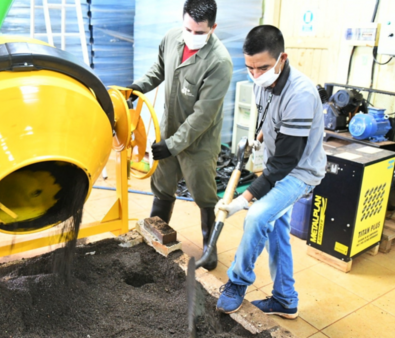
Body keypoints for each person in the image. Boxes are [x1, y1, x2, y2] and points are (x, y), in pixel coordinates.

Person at [215, 25, 326, 318]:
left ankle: (238, 282)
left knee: (257, 216)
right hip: (282, 164)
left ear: (282, 58)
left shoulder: (300, 94)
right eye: (249, 67)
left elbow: (284, 164)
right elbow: (268, 119)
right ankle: (285, 299)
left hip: (300, 172)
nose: (255, 74)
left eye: (262, 67)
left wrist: (244, 199)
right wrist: (257, 139)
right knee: (276, 231)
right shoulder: (261, 82)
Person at [127, 0, 233, 270]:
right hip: (170, 130)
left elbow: (202, 116)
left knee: (204, 195)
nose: (192, 36)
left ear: (213, 28)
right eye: (188, 29)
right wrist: (138, 87)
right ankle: (155, 231)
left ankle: (210, 246)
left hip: (199, 141)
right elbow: (159, 69)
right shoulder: (172, 38)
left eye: (200, 33)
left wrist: (172, 145)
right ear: (182, 21)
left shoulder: (219, 62)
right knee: (162, 187)